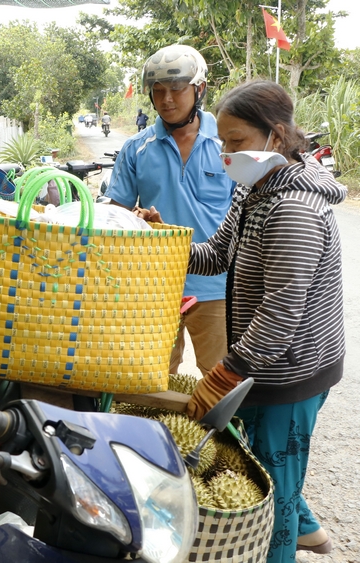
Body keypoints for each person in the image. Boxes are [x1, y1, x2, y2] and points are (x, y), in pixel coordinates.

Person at [185, 79, 344, 560]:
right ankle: (310, 529)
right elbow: (215, 256)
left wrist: (227, 371)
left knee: (275, 492)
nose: (226, 153)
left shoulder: (293, 208)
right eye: (224, 141)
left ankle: (285, 540)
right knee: (264, 464)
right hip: (261, 365)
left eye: (237, 142)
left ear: (275, 137)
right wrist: (165, 242)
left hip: (292, 371)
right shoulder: (252, 190)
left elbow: (280, 313)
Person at [106, 44, 235, 376]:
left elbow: (246, 215)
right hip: (154, 285)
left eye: (177, 89)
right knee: (152, 381)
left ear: (199, 89)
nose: (167, 99)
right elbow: (113, 216)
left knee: (221, 383)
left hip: (217, 287)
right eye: (158, 90)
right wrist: (131, 219)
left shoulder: (229, 144)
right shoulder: (136, 148)